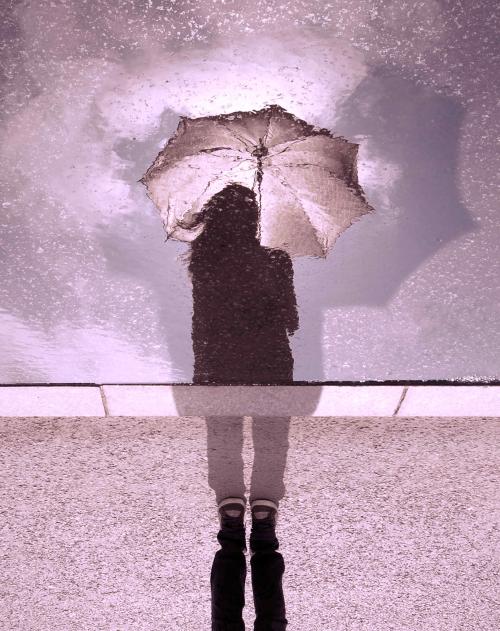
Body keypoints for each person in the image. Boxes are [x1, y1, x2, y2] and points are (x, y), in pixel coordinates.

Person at [186, 184, 296, 628]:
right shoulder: (276, 256)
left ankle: (246, 522)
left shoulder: (204, 260)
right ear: (255, 218)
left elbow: (202, 318)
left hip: (217, 358)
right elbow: (291, 319)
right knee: (270, 436)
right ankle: (237, 524)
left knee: (224, 432)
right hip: (269, 355)